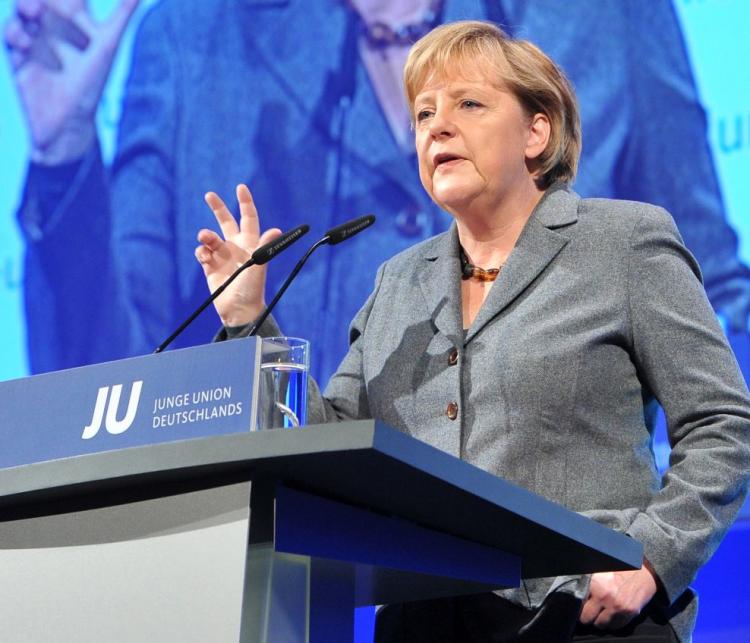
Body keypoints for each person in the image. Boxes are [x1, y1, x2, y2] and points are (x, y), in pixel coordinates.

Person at [195, 21, 750, 643]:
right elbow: (331, 445)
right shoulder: (397, 283)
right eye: (423, 113)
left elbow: (723, 423)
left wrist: (651, 558)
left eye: (469, 104)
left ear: (536, 132)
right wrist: (247, 318)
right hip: (423, 617)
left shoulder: (622, 243)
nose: (437, 125)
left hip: (580, 613)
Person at [7, 0, 750, 384]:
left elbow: (714, 306)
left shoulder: (601, 18)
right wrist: (63, 155)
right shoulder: (193, 39)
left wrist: (662, 532)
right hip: (283, 580)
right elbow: (114, 373)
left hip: (557, 585)